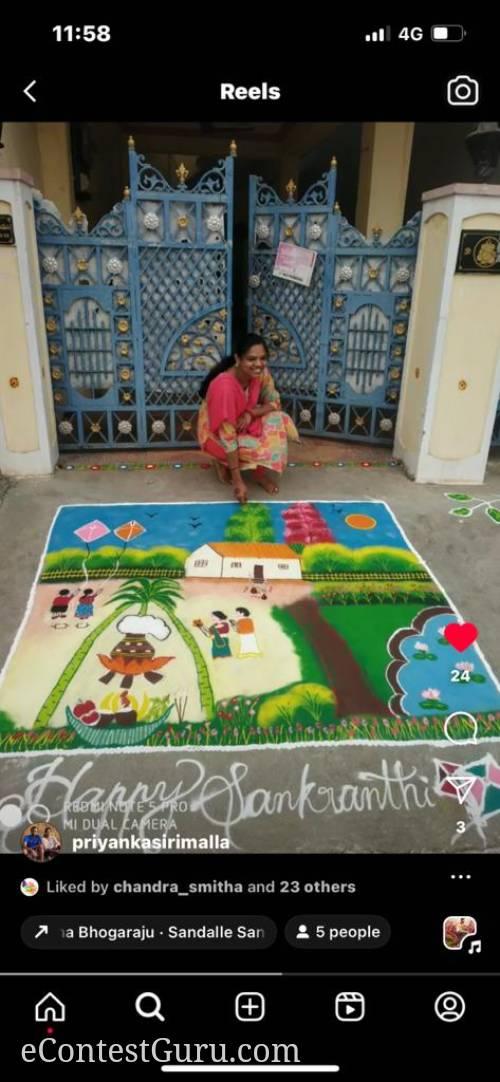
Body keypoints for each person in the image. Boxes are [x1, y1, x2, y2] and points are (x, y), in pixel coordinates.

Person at [197, 333, 299, 503]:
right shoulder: (224, 387)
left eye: (262, 358)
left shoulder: (260, 373)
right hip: (216, 434)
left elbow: (275, 402)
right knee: (249, 445)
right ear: (238, 359)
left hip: (243, 421)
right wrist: (238, 481)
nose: (258, 364)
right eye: (251, 359)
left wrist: (251, 413)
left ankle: (258, 475)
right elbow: (227, 436)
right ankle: (222, 462)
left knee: (278, 421)